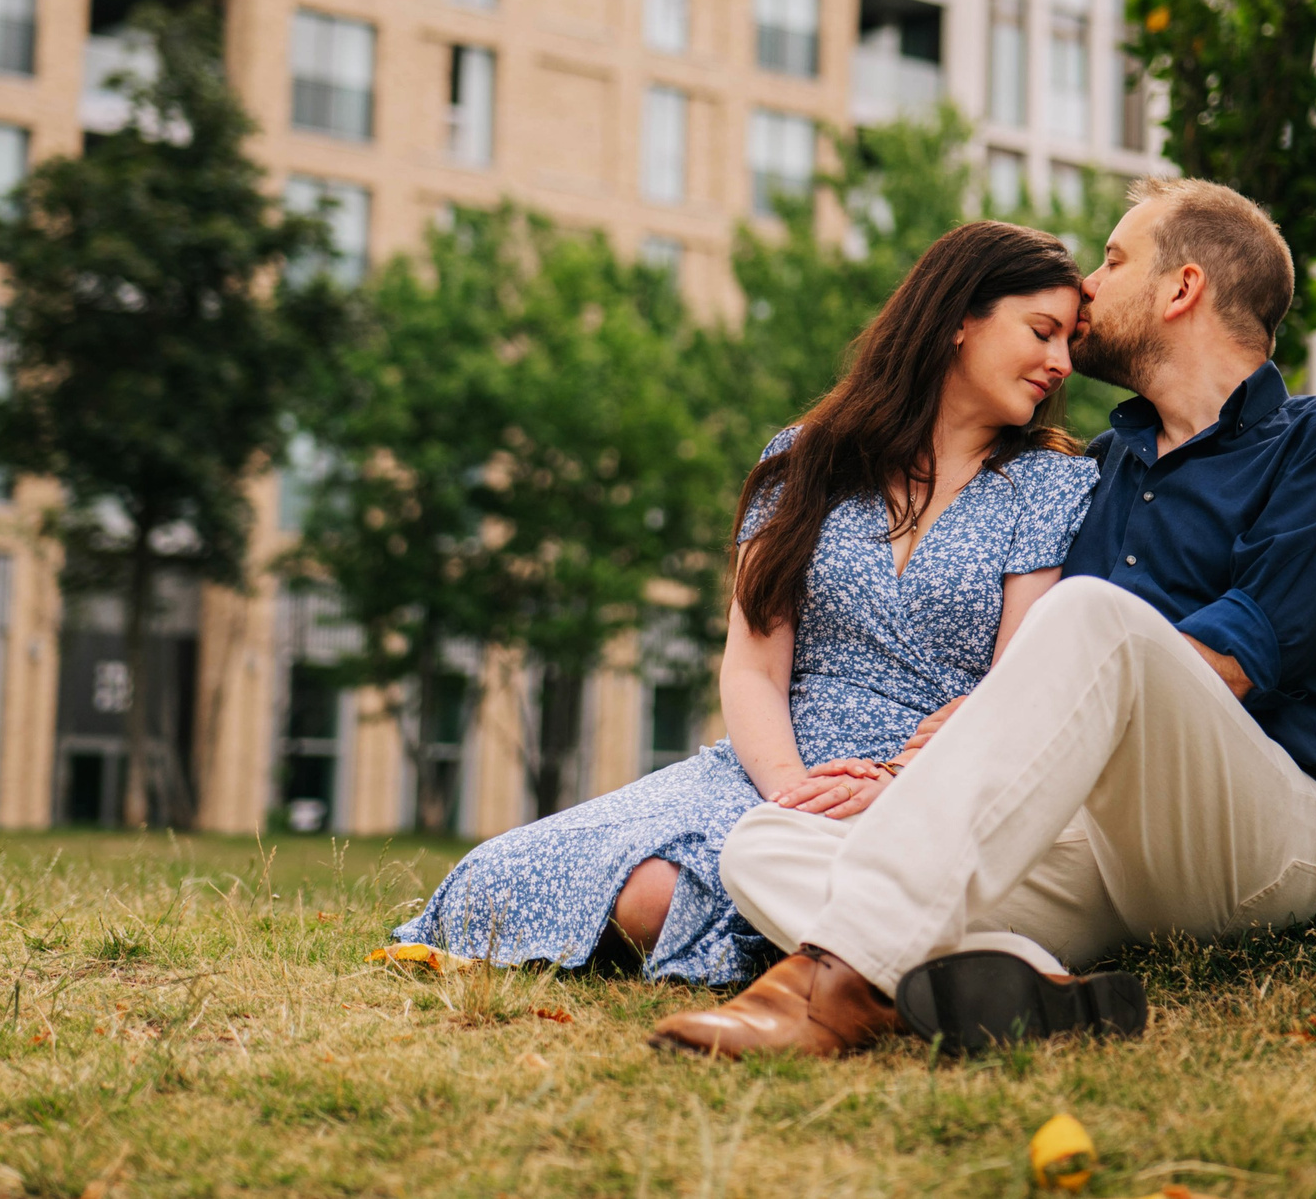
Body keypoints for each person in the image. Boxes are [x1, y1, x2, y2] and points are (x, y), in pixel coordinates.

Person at [651, 176, 1316, 1058]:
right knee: (766, 843)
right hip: (1095, 846)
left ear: (1182, 289)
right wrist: (913, 781)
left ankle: (830, 987)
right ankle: (1019, 981)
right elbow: (1048, 682)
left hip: (1255, 836)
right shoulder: (1103, 466)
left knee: (1096, 617)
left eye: (1114, 259)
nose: (1089, 285)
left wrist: (989, 719)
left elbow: (1223, 664)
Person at [389, 221, 1105, 984]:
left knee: (659, 895)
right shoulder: (804, 459)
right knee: (506, 876)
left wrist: (892, 778)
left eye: (1070, 342)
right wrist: (789, 795)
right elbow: (754, 667)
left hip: (920, 780)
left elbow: (1012, 688)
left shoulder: (1051, 487)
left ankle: (826, 936)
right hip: (773, 765)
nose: (1061, 364)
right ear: (960, 318)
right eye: (1043, 332)